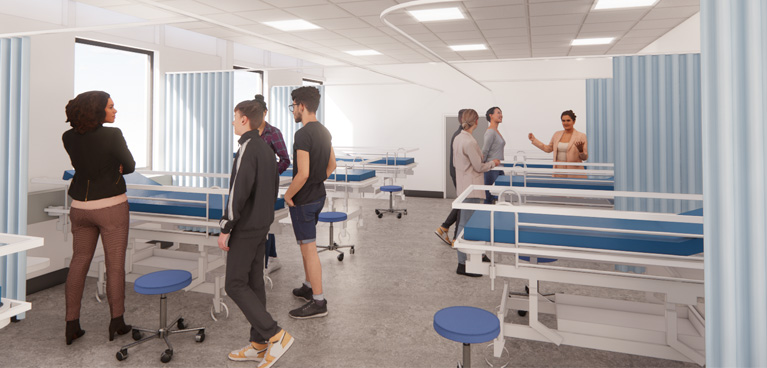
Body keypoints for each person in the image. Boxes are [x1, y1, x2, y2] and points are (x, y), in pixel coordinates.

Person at [219, 98, 293, 367]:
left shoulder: (248, 148)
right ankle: (259, 342)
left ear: (244, 119)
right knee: (254, 283)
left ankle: (275, 334)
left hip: (246, 227)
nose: (232, 122)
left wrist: (226, 226)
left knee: (234, 284)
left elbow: (237, 191)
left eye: (234, 116)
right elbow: (270, 188)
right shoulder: (265, 149)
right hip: (261, 224)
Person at [62, 91, 134, 345]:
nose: (115, 111)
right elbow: (131, 165)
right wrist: (118, 166)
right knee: (115, 264)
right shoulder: (112, 135)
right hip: (111, 207)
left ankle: (71, 324)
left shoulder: (68, 137)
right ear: (97, 110)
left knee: (79, 261)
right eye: (111, 107)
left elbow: (85, 164)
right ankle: (117, 321)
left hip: (80, 207)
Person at [283, 86, 336, 319]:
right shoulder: (324, 131)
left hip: (303, 200)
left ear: (301, 106)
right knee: (307, 247)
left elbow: (302, 173)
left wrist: (288, 195)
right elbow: (332, 166)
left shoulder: (302, 134)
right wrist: (317, 180)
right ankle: (308, 286)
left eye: (293, 106)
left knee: (309, 249)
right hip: (318, 196)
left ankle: (318, 301)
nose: (293, 110)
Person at [453, 109, 500, 277]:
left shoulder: (459, 138)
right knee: (465, 224)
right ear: (477, 122)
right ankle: (462, 264)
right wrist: (493, 163)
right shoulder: (470, 142)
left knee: (465, 223)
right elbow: (479, 167)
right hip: (471, 187)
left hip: (464, 185)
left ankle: (476, 255)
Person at [251, 94, 290, 276]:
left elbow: (285, 159)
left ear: (265, 112)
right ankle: (272, 258)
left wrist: (271, 174)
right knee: (261, 223)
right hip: (249, 184)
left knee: (266, 222)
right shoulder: (248, 132)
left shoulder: (273, 133)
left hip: (266, 186)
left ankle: (266, 262)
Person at [435, 109, 466, 246]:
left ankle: (444, 228)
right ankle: (455, 238)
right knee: (463, 204)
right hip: (459, 174)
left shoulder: (461, 135)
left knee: (462, 203)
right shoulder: (460, 135)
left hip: (459, 174)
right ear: (462, 119)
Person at [528, 110, 588, 177]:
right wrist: (534, 140)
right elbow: (548, 149)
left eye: (568, 120)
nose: (565, 123)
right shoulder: (557, 134)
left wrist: (581, 151)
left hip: (574, 172)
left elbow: (585, 158)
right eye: (563, 121)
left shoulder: (581, 136)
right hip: (558, 170)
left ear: (574, 121)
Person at [482, 106, 505, 204]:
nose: (501, 115)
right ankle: (485, 218)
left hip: (499, 167)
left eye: (501, 113)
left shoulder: (496, 131)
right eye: (498, 113)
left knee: (497, 196)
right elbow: (485, 151)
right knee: (489, 197)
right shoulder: (490, 132)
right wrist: (482, 166)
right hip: (492, 169)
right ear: (491, 116)